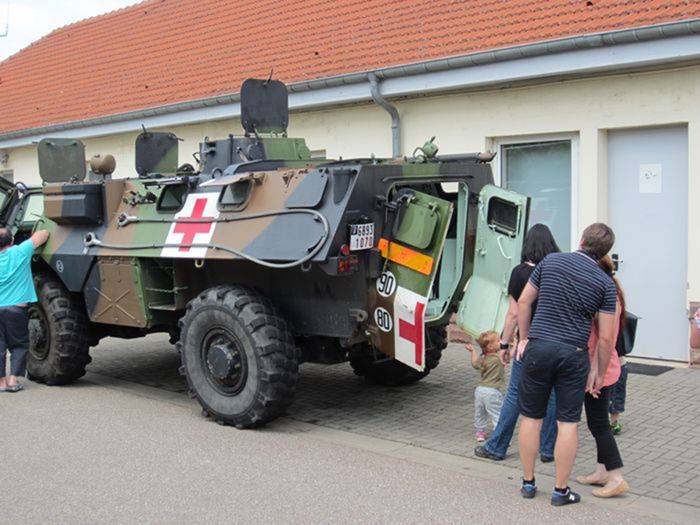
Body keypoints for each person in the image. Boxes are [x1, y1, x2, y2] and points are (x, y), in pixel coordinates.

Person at [516, 223, 617, 506]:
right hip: (573, 354)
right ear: (604, 253)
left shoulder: (550, 261)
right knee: (568, 422)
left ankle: (528, 483)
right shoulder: (605, 284)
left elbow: (524, 302)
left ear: (581, 240)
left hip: (539, 347)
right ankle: (561, 491)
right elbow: (606, 338)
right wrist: (598, 372)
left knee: (531, 417)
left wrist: (524, 339)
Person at [474, 223, 559, 462]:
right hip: (555, 343)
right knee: (552, 394)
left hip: (528, 344)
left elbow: (513, 314)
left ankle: (497, 446)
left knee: (515, 394)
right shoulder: (557, 270)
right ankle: (548, 449)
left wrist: (504, 344)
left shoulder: (520, 273)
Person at [576, 255, 629, 497]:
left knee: (599, 424)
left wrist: (595, 373)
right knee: (597, 422)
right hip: (600, 367)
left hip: (601, 369)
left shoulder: (608, 298)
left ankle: (616, 477)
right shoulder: (611, 293)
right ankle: (601, 472)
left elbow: (604, 340)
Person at [0, 226, 50, 393]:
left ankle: (1, 383)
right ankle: (13, 381)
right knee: (19, 345)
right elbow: (44, 234)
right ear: (12, 240)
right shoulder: (20, 251)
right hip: (16, 309)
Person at [466, 331, 504, 442]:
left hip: (480, 391)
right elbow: (509, 356)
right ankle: (499, 436)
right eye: (498, 340)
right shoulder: (498, 358)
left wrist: (473, 351)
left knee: (480, 413)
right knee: (497, 414)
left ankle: (480, 433)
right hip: (492, 392)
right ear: (491, 346)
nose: (501, 342)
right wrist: (515, 344)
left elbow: (474, 364)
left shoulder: (483, 357)